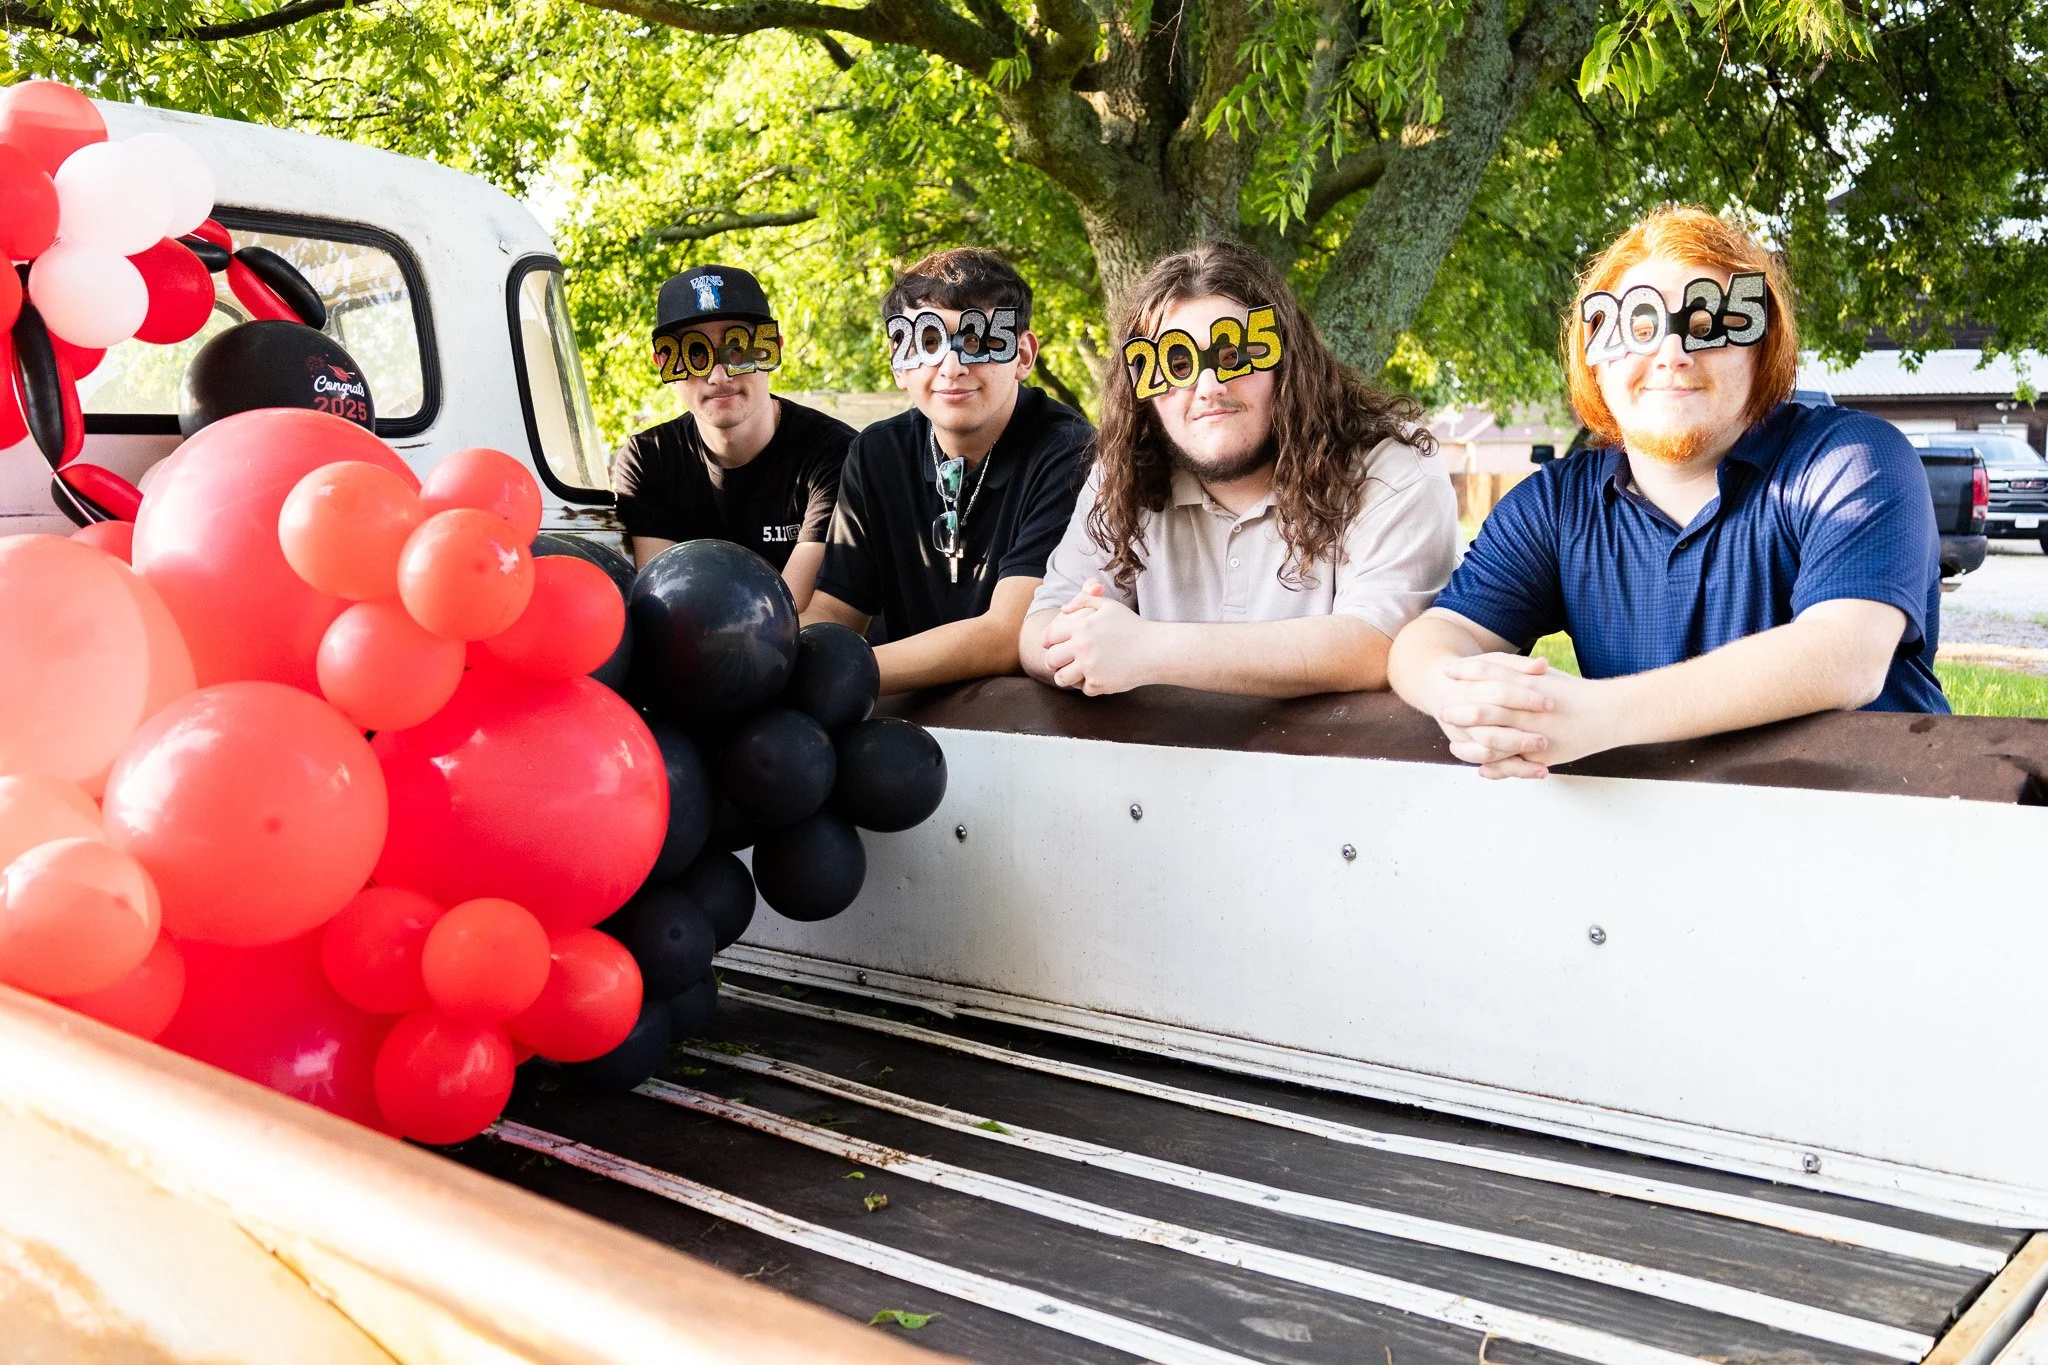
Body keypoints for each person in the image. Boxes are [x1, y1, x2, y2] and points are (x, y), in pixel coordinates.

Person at [1387, 206, 1947, 779]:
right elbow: (1437, 637)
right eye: (1641, 329)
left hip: (1865, 829)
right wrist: (1459, 697)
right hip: (1650, 844)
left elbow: (1844, 654)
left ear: (1762, 351)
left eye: (1707, 328)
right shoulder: (1553, 507)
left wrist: (1595, 715)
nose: (1673, 354)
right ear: (1596, 363)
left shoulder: (1851, 460)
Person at [1020, 241, 1459, 697]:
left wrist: (1148, 650)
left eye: (1233, 355)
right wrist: (1077, 648)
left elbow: (1374, 644)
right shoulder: (1125, 472)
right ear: (1142, 391)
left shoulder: (1390, 467)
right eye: (1175, 363)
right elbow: (1039, 628)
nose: (1208, 386)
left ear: (1288, 361)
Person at [803, 249, 1091, 692]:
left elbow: (1008, 634)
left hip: (1022, 720)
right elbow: (836, 612)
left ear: (1023, 354)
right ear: (899, 362)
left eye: (977, 340)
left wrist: (845, 675)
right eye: (929, 343)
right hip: (900, 714)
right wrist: (773, 662)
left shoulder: (1069, 451)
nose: (952, 367)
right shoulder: (876, 453)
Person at [612, 264, 854, 610]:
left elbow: (787, 613)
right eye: (695, 353)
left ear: (772, 351)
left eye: (737, 348)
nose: (718, 375)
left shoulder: (835, 454)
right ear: (664, 362)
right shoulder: (648, 459)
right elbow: (664, 609)